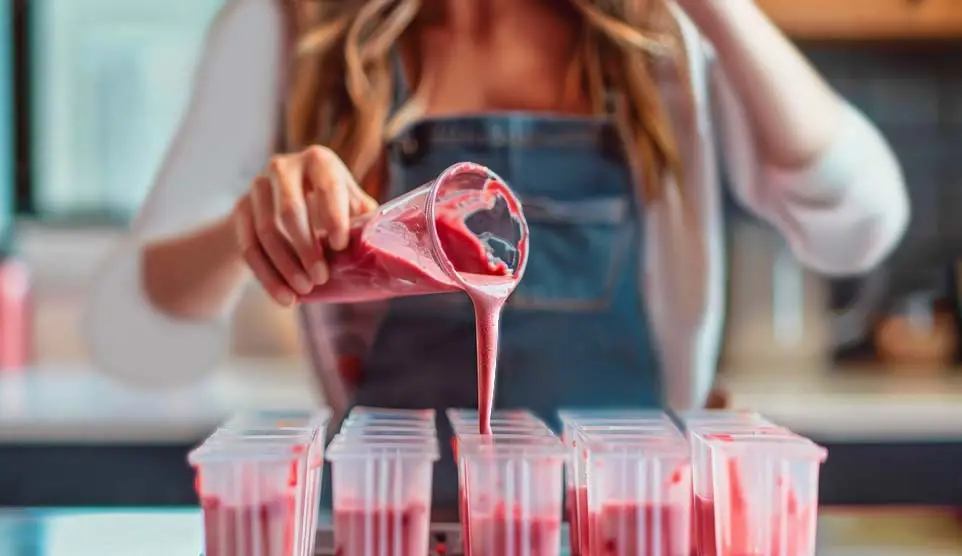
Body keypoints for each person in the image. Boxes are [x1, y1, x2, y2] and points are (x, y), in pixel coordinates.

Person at [85, 0, 907, 505]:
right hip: (392, 545)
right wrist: (250, 225)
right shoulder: (292, 29)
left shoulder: (654, 40)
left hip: (627, 536)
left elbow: (859, 222)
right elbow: (136, 327)